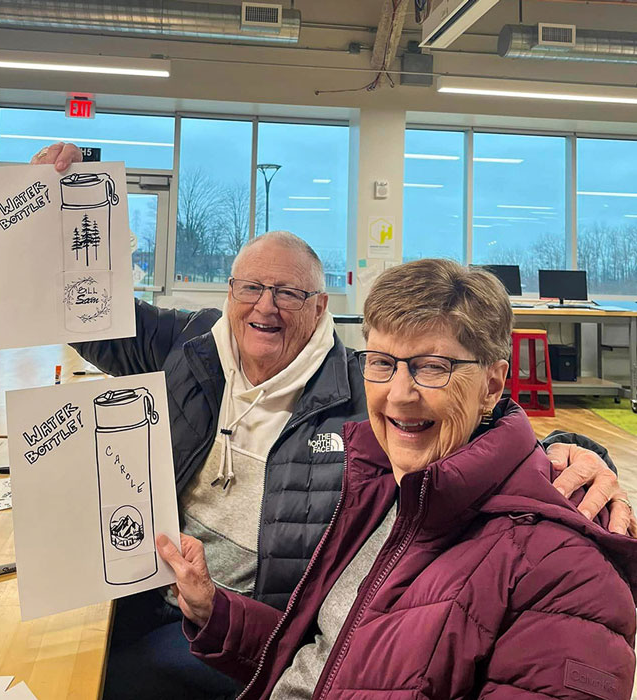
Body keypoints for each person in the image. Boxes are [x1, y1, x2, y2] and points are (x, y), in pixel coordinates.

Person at [32, 143, 635, 700]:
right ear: (228, 293)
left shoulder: (356, 399)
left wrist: (573, 454)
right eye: (250, 287)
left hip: (243, 614)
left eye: (288, 293)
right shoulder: (193, 346)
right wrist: (55, 211)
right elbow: (95, 320)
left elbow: (481, 428)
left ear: (321, 307)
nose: (265, 305)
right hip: (175, 592)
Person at [161, 259, 637, 699]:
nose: (399, 395)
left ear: (493, 385)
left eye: (433, 367)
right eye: (382, 363)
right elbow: (332, 662)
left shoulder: (566, 573)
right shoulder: (384, 491)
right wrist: (215, 613)